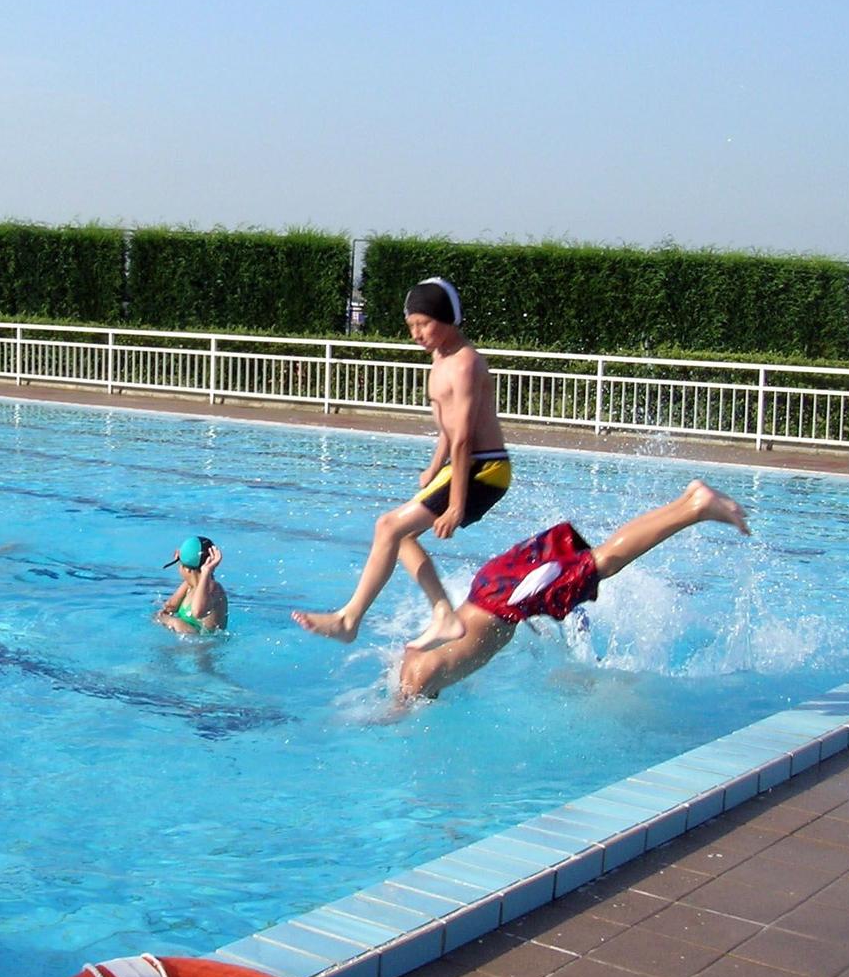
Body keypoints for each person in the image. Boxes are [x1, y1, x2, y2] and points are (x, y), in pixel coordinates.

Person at [294, 278, 510, 648]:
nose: (416, 334)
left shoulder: (464, 364)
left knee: (388, 527)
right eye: (411, 326)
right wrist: (434, 465)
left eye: (423, 324)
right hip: (462, 467)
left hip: (482, 470)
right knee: (399, 536)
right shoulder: (441, 358)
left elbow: (463, 438)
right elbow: (448, 425)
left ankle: (350, 619)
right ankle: (443, 613)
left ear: (447, 318)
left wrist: (456, 505)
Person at [395, 480, 751, 705]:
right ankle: (687, 499)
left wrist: (391, 717)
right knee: (601, 555)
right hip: (490, 584)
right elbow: (402, 543)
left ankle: (694, 508)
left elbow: (407, 703)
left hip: (508, 601)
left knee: (606, 561)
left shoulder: (419, 683)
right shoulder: (413, 656)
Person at [157, 535, 227, 633]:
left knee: (177, 623)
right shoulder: (189, 586)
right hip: (189, 644)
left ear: (187, 569)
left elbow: (198, 612)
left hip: (207, 646)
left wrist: (206, 571)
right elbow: (169, 607)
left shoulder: (213, 588)